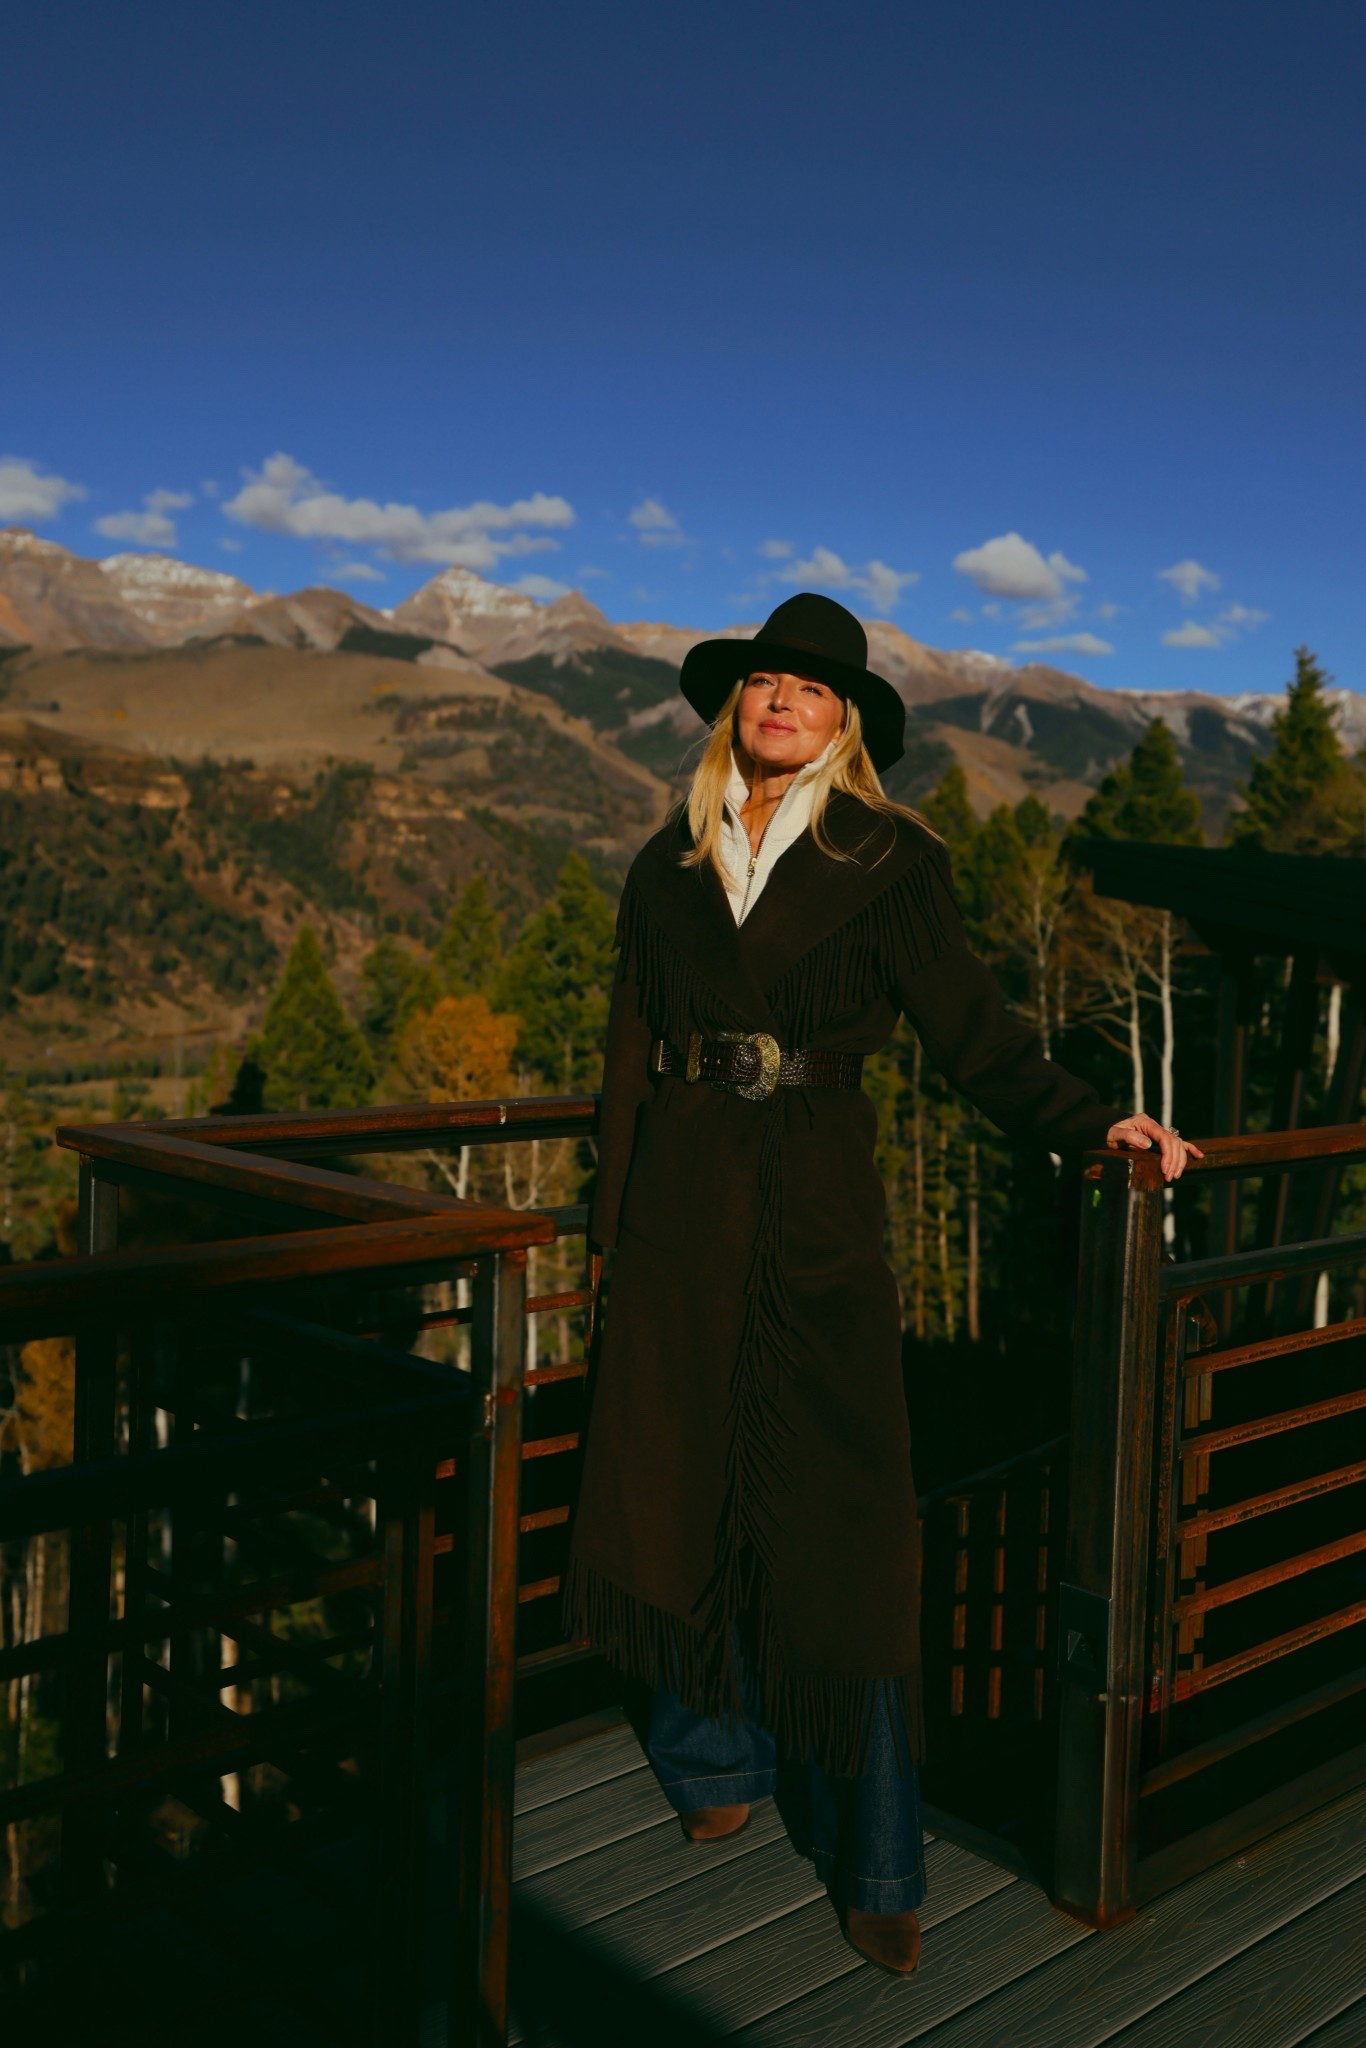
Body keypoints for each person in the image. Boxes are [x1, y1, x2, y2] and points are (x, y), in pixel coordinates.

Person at [563, 592, 1198, 1975]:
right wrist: (609, 1227)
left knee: (840, 1522)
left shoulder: (888, 859)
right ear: (734, 707)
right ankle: (711, 1761)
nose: (779, 701)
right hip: (675, 1211)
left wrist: (1093, 1120)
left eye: (809, 688)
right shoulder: (661, 865)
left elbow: (973, 1032)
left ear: (846, 723)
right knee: (668, 1482)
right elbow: (627, 1049)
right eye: (761, 683)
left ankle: (878, 1852)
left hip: (811, 1212)